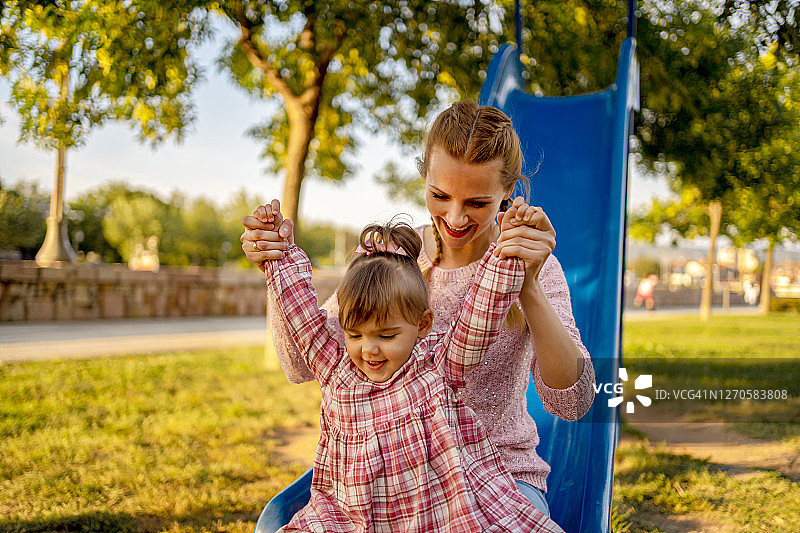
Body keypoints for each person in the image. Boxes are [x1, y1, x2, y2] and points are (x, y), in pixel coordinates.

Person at [242, 101, 595, 519]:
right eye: (440, 195)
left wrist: (529, 287)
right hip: (386, 475)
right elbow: (305, 364)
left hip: (499, 475)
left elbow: (573, 403)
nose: (456, 217)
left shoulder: (531, 264)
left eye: (478, 203)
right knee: (275, 522)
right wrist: (274, 268)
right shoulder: (390, 255)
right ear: (424, 175)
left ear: (508, 193)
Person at [263, 213, 563, 532]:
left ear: (423, 325)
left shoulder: (437, 368)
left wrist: (508, 254)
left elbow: (480, 314)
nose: (369, 349)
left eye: (387, 335)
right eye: (355, 334)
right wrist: (277, 254)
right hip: (354, 515)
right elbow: (301, 316)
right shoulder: (335, 367)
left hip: (435, 510)